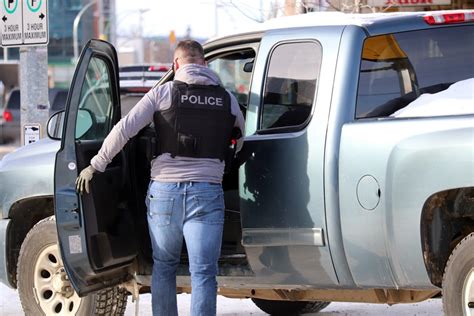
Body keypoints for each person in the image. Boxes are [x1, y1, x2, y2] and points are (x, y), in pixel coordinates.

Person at [76, 40, 245, 316]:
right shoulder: (227, 100)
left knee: (164, 266)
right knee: (203, 272)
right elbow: (241, 141)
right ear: (204, 64)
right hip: (207, 192)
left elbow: (125, 129)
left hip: (165, 194)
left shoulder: (163, 93)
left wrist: (96, 165)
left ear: (176, 65)